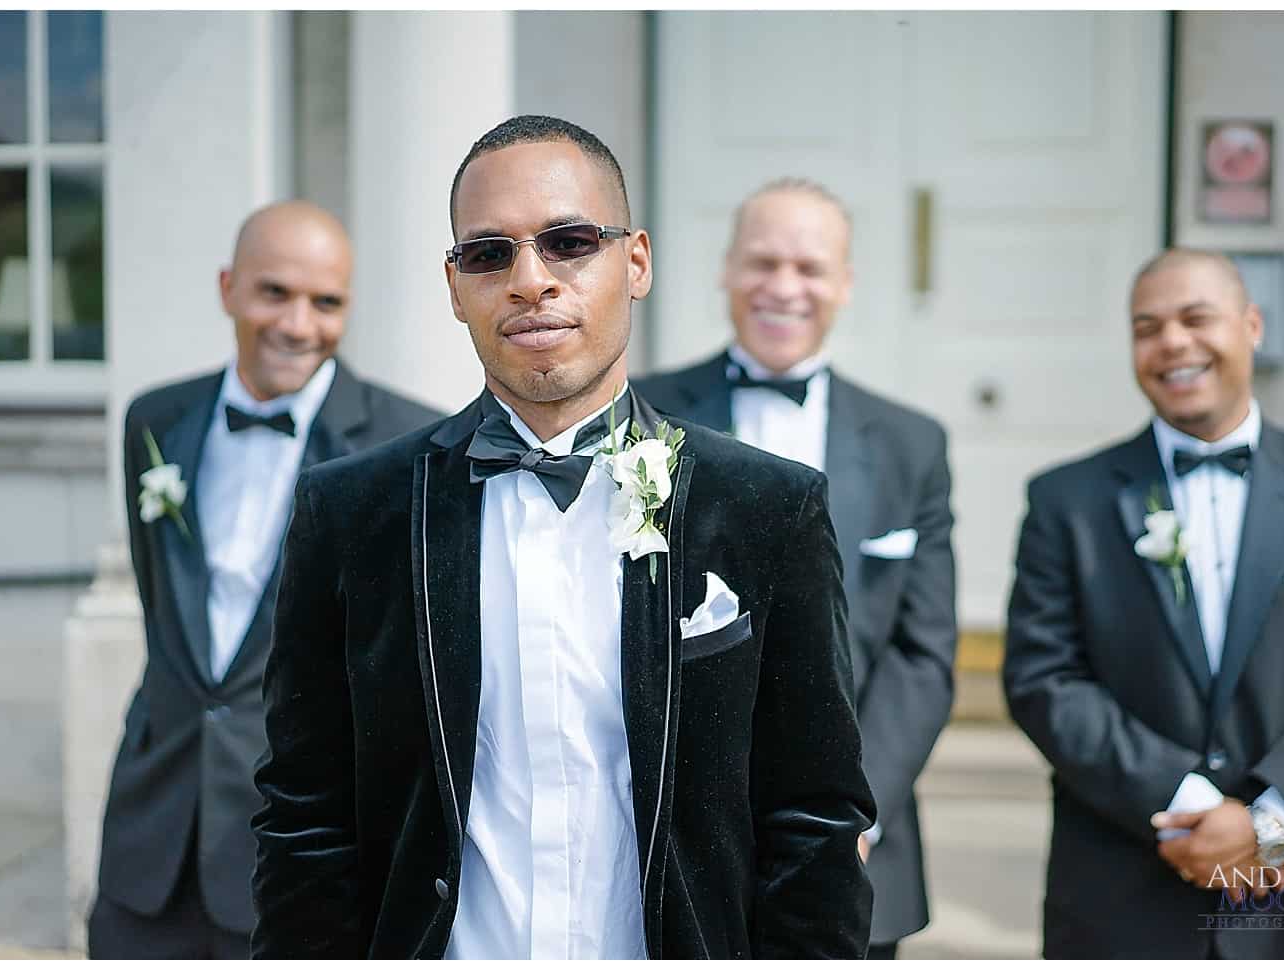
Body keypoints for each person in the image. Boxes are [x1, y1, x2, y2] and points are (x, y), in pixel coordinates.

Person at [249, 116, 876, 959]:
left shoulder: (769, 508)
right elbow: (307, 815)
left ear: (637, 261)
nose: (529, 280)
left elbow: (815, 825)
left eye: (569, 241)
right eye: (489, 254)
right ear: (454, 284)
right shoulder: (350, 512)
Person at [1003, 248, 1284, 958]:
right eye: (1147, 327)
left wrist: (1270, 822)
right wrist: (1186, 804)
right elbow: (1041, 677)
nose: (1171, 342)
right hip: (1121, 877)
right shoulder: (1067, 501)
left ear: (1251, 325)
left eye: (1195, 318)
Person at [89, 201, 441, 958]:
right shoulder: (155, 419)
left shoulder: (408, 444)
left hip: (305, 845)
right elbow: (165, 607)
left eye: (327, 302)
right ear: (227, 289)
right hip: (150, 830)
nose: (298, 324)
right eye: (274, 292)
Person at [635, 178, 956, 958]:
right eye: (763, 262)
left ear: (844, 284)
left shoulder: (912, 444)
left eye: (810, 268)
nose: (784, 287)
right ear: (725, 270)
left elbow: (923, 655)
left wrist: (852, 809)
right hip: (677, 839)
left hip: (860, 845)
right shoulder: (641, 414)